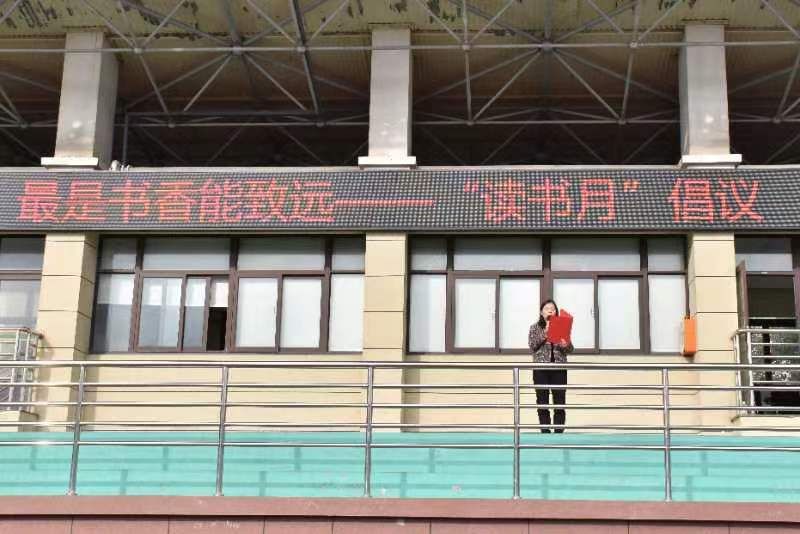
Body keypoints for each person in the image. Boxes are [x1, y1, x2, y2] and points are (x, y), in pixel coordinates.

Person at [528, 299, 574, 434]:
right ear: (541, 312)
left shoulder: (561, 326)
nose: (550, 311)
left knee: (559, 401)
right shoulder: (535, 327)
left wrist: (566, 345)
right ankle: (545, 431)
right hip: (541, 369)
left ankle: (559, 432)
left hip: (558, 368)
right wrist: (546, 332)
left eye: (553, 309)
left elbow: (570, 349)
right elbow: (532, 345)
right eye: (547, 308)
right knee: (542, 401)